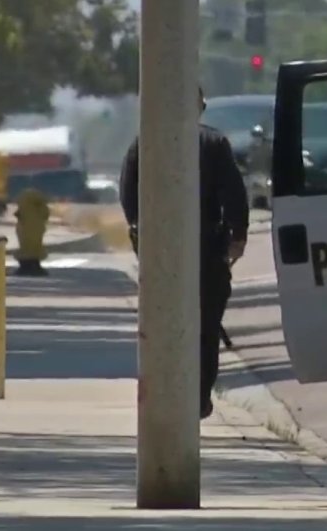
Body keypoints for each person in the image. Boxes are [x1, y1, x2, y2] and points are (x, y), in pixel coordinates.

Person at [119, 87, 250, 420]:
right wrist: (238, 236)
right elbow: (234, 194)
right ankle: (199, 397)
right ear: (201, 107)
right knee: (206, 327)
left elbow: (128, 192)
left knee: (161, 324)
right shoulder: (215, 144)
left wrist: (140, 236)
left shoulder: (144, 142)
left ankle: (165, 394)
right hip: (206, 250)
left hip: (159, 251)